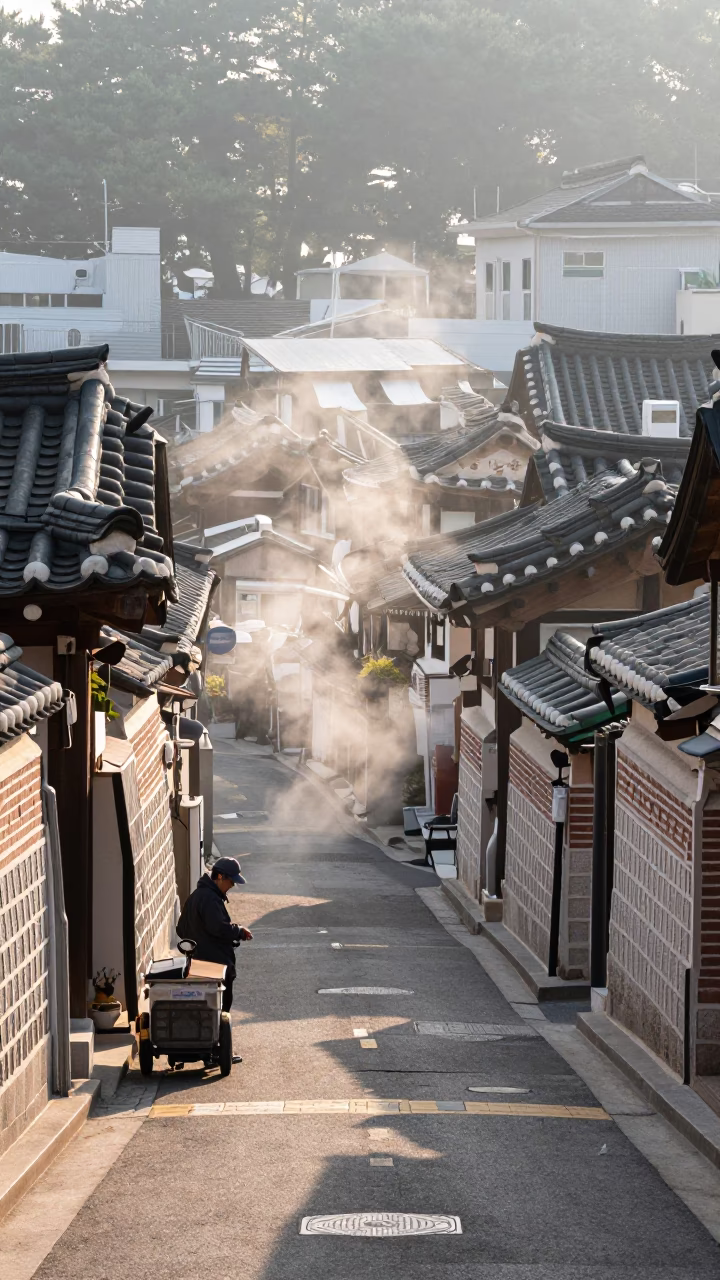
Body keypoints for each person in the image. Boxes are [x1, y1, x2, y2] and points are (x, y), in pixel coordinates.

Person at [177, 858, 253, 1062]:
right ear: (220, 877)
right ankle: (217, 1051)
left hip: (198, 962)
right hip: (216, 965)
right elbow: (217, 927)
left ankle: (205, 1049)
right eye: (231, 881)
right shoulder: (210, 899)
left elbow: (180, 928)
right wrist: (238, 931)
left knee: (203, 1007)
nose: (233, 885)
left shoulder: (198, 896)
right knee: (219, 1007)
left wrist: (197, 942)